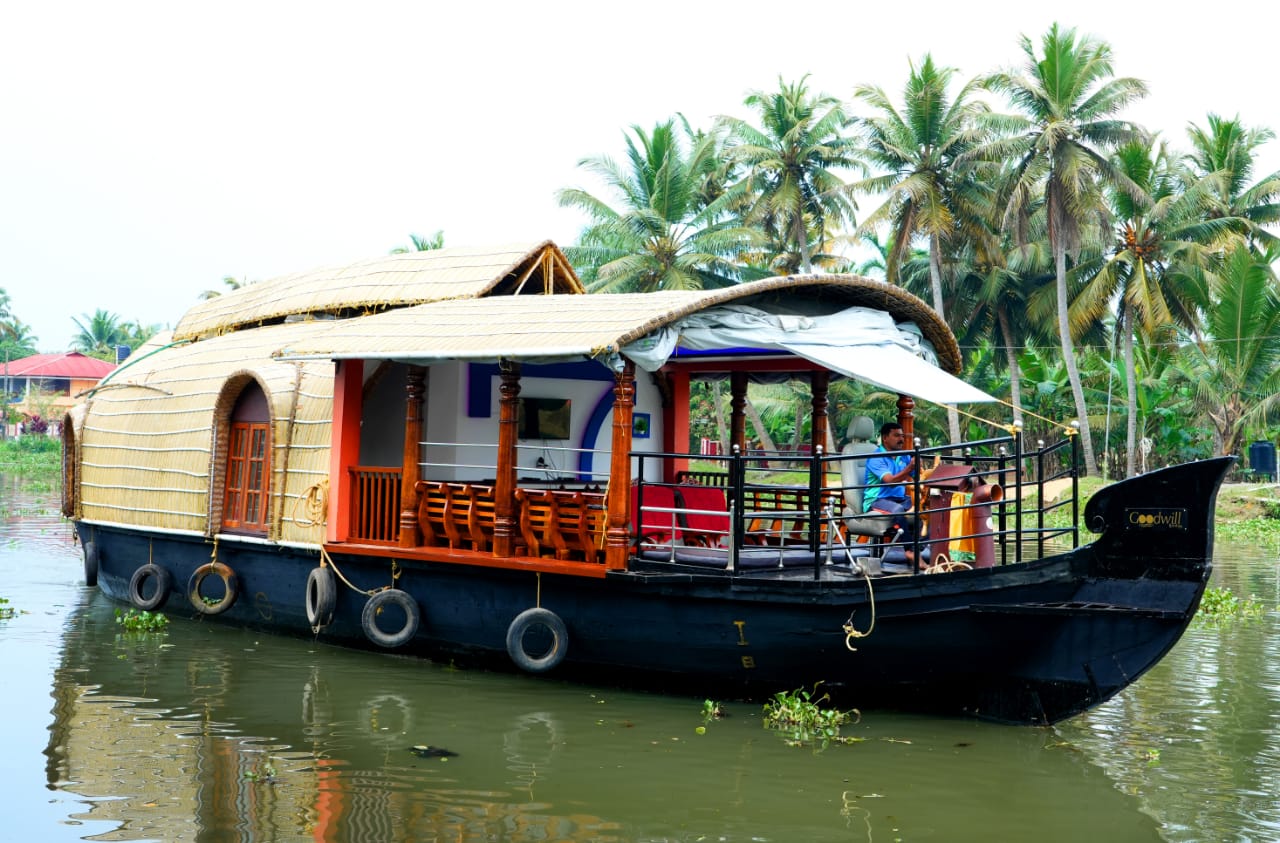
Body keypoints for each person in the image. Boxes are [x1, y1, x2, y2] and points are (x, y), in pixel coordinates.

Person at [863, 422, 921, 563]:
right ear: (885, 438)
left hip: (899, 498)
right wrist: (909, 468)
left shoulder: (904, 456)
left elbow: (917, 476)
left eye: (902, 436)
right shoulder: (876, 457)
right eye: (896, 436)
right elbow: (890, 481)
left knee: (925, 510)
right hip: (876, 501)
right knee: (898, 510)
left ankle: (918, 549)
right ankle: (909, 551)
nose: (901, 439)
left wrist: (919, 466)